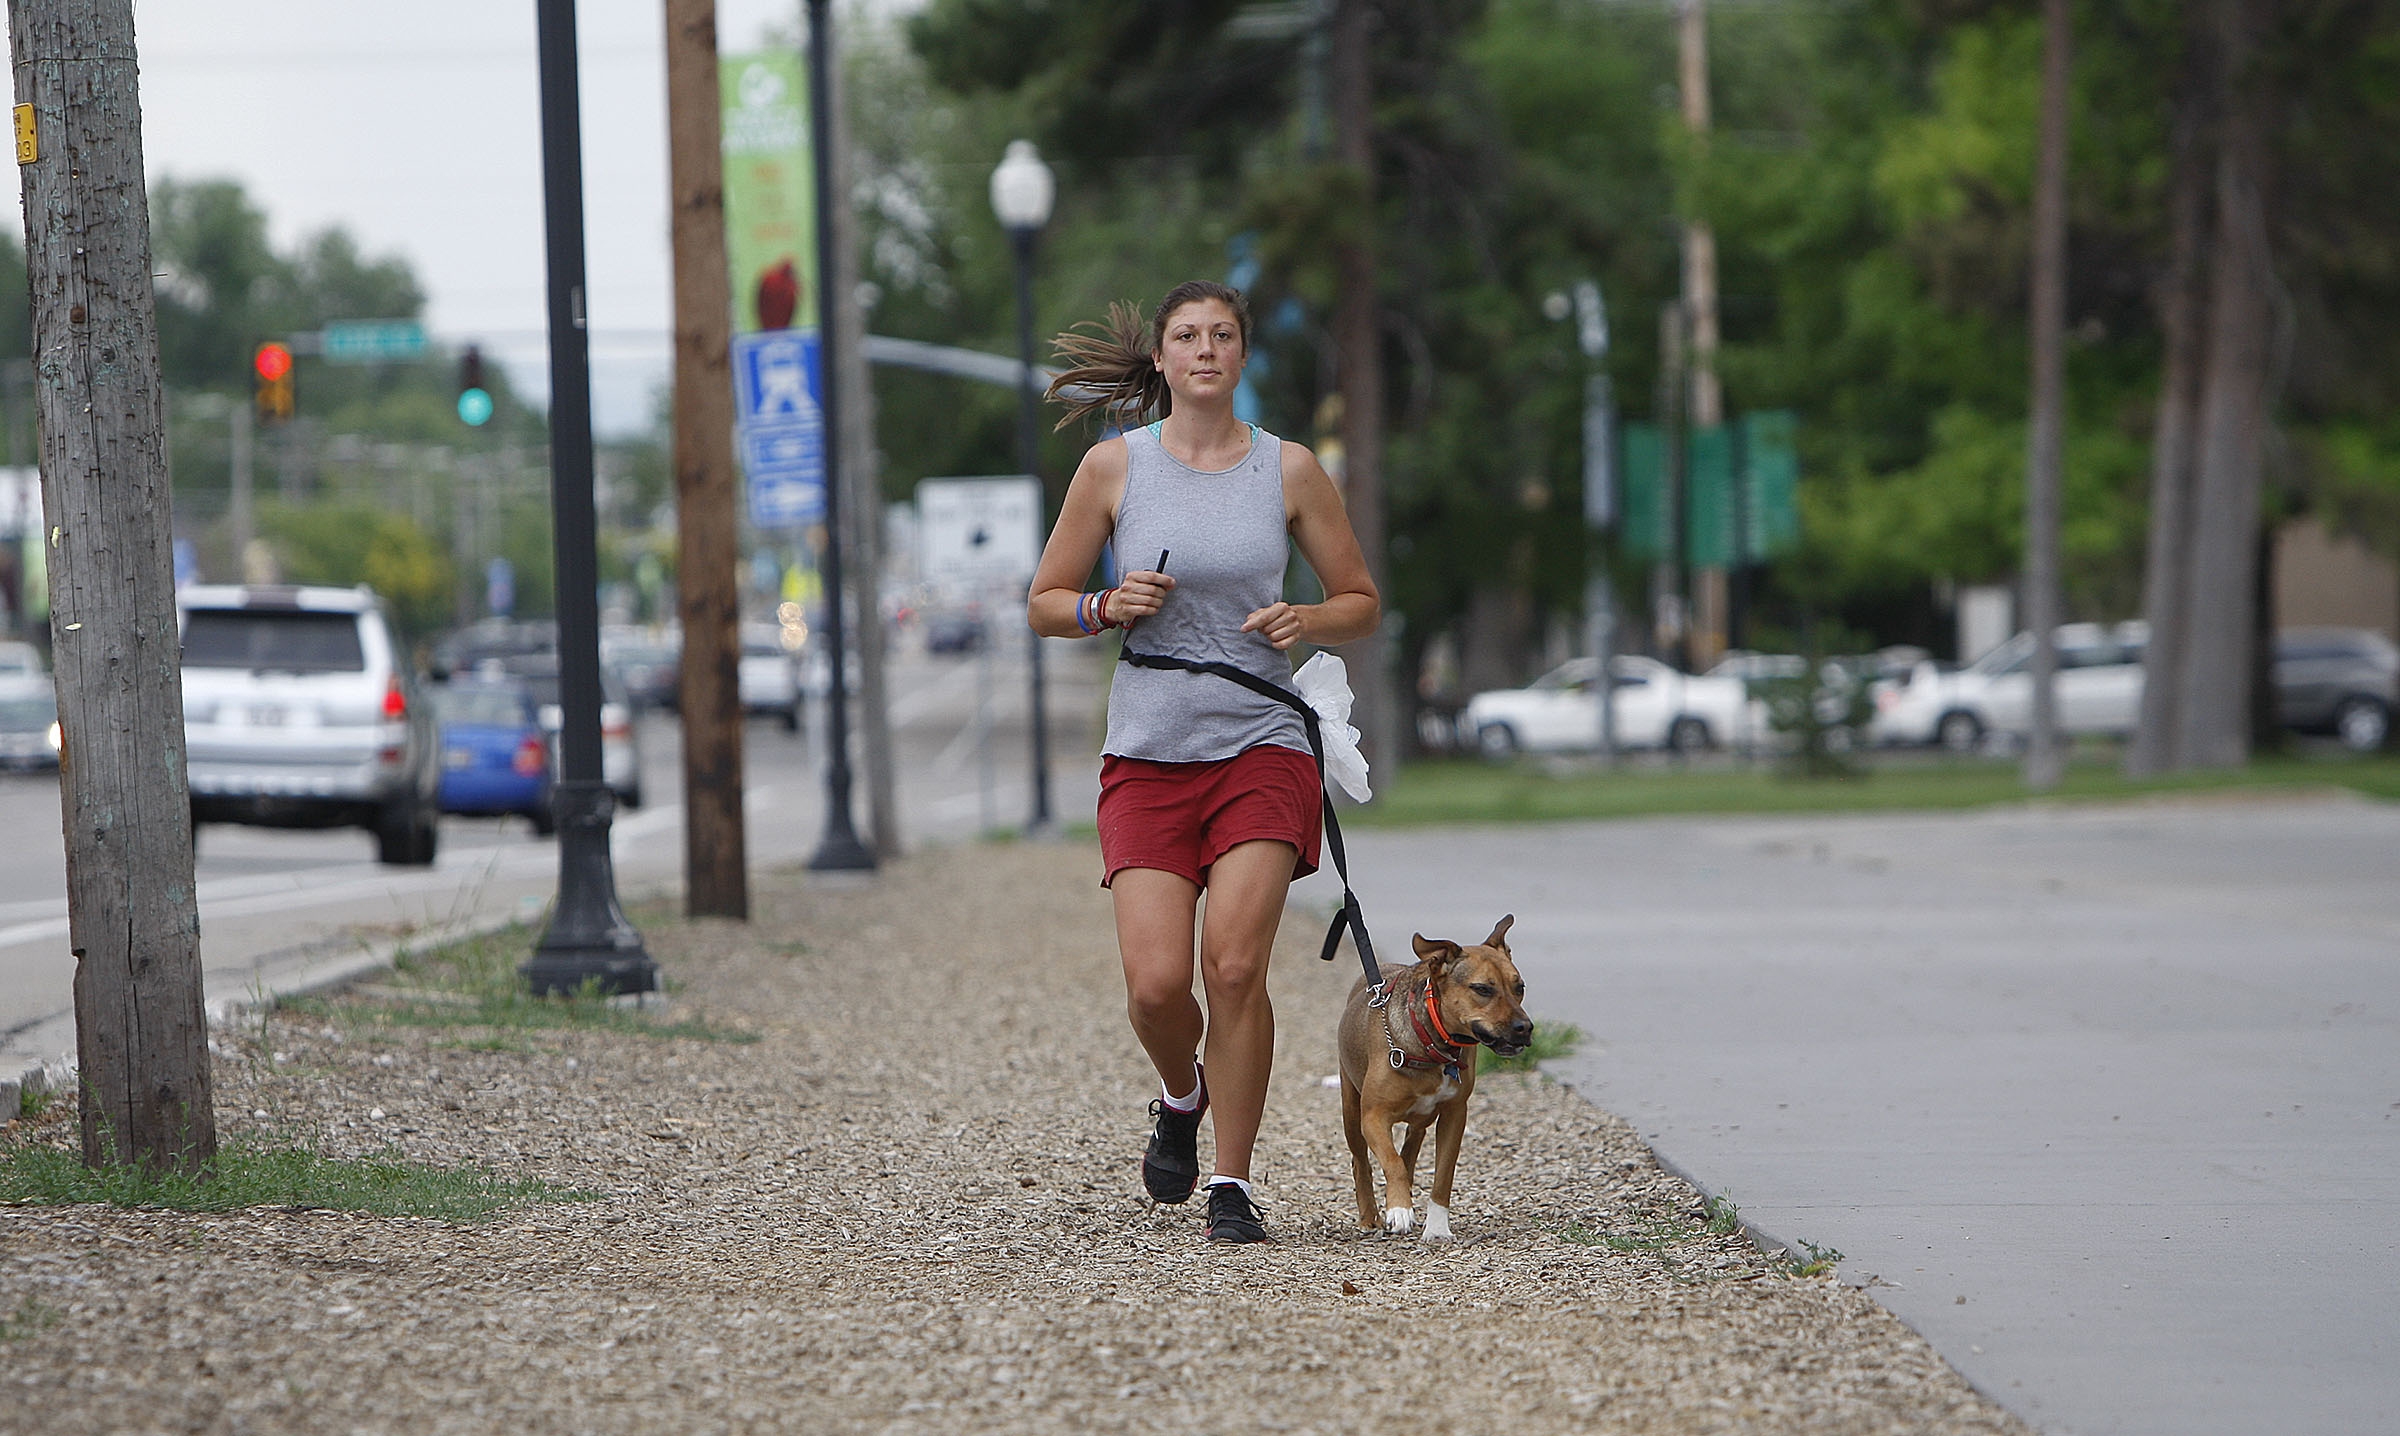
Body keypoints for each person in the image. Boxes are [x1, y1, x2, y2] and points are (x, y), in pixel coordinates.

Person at [1026, 280, 1380, 1244]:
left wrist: (1306, 616)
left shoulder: (1290, 470)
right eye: (1187, 335)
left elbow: (1360, 598)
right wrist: (1106, 606)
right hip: (1148, 750)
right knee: (1154, 985)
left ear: (1242, 354)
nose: (1206, 349)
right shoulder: (1112, 469)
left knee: (1232, 965)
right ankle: (1179, 1096)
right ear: (1164, 360)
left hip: (1260, 742)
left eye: (1223, 335)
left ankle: (1231, 1182)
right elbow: (1045, 601)